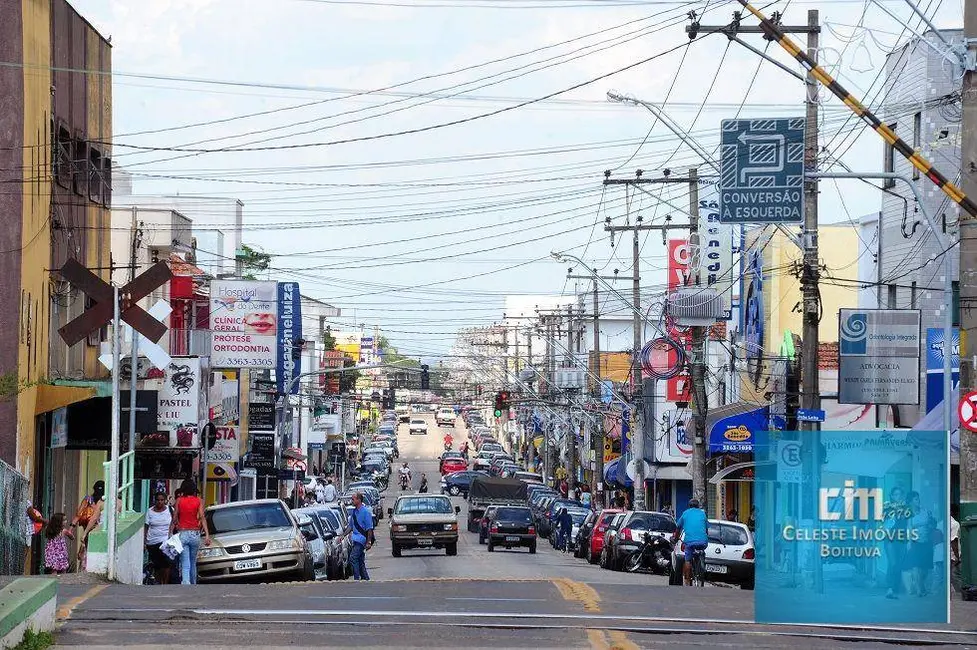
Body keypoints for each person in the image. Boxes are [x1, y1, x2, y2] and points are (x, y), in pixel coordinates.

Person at [171, 479, 211, 585]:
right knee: (193, 561)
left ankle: (185, 582)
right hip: (195, 534)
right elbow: (202, 517)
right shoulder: (199, 501)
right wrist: (207, 535)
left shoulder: (179, 500)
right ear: (194, 489)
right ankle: (193, 584)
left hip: (182, 533)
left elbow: (174, 518)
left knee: (185, 561)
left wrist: (170, 532)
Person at [672, 498, 709, 586]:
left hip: (690, 541)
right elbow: (706, 529)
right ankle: (701, 564)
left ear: (689, 506)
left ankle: (687, 581)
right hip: (703, 541)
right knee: (701, 551)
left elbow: (678, 528)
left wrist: (676, 539)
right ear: (698, 506)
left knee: (687, 560)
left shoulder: (685, 513)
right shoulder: (703, 513)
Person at [905, 491, 934, 597]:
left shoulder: (925, 511)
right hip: (915, 542)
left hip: (926, 542)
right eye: (916, 499)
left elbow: (931, 524)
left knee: (925, 569)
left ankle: (920, 584)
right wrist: (909, 543)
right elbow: (909, 528)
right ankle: (919, 589)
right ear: (910, 502)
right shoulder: (908, 514)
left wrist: (930, 522)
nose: (918, 501)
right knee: (916, 566)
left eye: (918, 498)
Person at [884, 487, 909, 599]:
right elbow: (887, 524)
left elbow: (908, 524)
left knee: (899, 563)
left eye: (899, 494)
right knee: (892, 563)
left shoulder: (906, 508)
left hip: (902, 539)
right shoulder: (887, 508)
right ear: (892, 496)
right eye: (895, 494)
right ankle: (890, 588)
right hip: (890, 539)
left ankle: (895, 588)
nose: (897, 497)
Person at [343, 492, 375, 581]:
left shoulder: (365, 512)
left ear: (359, 500)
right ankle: (366, 579)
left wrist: (369, 542)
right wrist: (343, 536)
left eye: (353, 499)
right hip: (355, 540)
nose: (351, 501)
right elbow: (350, 526)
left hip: (361, 540)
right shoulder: (354, 512)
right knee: (360, 561)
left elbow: (369, 529)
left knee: (353, 558)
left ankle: (356, 579)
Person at [144, 491, 173, 585]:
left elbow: (174, 522)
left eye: (162, 500)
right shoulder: (150, 511)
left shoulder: (170, 510)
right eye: (158, 500)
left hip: (165, 541)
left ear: (165, 500)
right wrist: (144, 541)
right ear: (155, 501)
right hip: (152, 542)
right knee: (157, 565)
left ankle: (165, 583)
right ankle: (158, 583)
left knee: (166, 563)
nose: (160, 502)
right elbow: (146, 527)